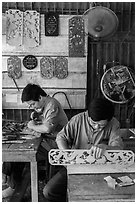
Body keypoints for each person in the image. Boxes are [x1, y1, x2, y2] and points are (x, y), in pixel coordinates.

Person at [43, 98, 123, 202]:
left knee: (101, 194)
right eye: (94, 123)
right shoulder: (78, 119)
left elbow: (119, 148)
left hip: (101, 168)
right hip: (75, 165)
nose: (96, 127)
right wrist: (67, 156)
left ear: (109, 120)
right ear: (88, 116)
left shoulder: (113, 124)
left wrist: (106, 147)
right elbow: (61, 137)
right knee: (49, 191)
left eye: (101, 126)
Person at [2, 83, 68, 198]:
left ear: (40, 97)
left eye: (33, 104)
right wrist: (37, 115)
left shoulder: (52, 105)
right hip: (48, 139)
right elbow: (46, 120)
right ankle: (7, 177)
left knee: (21, 153)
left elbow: (47, 128)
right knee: (16, 148)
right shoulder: (46, 104)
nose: (32, 106)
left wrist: (32, 126)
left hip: (57, 144)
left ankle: (12, 186)